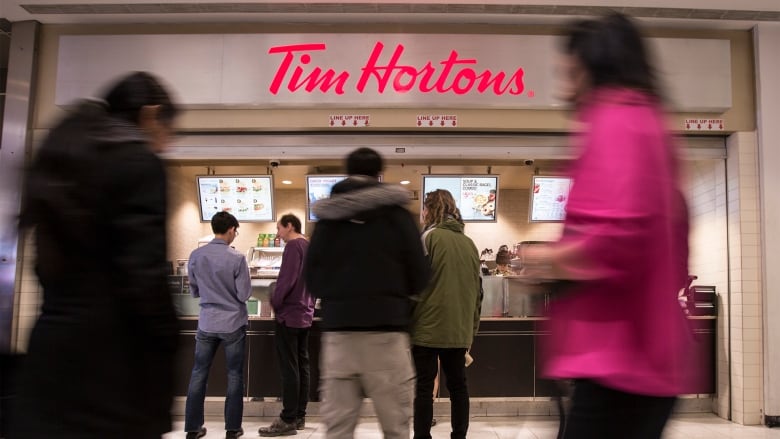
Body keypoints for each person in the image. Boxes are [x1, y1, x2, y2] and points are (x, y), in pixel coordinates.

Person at [519, 13, 691, 439]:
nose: (564, 87)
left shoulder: (616, 121)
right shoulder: (651, 123)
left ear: (592, 66)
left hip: (618, 357)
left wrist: (547, 260)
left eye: (569, 71)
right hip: (643, 354)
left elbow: (619, 237)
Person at [11, 71, 180, 438]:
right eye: (170, 129)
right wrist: (168, 345)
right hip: (112, 368)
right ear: (151, 115)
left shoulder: (67, 159)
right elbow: (144, 277)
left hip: (50, 360)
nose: (167, 143)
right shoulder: (138, 164)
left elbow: (44, 269)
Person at [305, 147, 431, 439]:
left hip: (339, 338)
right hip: (387, 337)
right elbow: (421, 275)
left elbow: (312, 279)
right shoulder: (399, 217)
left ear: (346, 173)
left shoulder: (327, 221)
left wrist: (340, 297)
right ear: (379, 175)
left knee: (338, 430)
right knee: (395, 429)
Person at [410, 189, 482, 439]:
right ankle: (459, 436)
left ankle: (422, 437)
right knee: (459, 386)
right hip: (459, 329)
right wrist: (471, 329)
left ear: (429, 210)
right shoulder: (469, 244)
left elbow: (414, 284)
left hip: (427, 328)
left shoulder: (428, 238)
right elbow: (478, 291)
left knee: (424, 387)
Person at [184, 211, 251, 439]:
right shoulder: (237, 258)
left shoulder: (195, 255)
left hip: (206, 322)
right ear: (231, 229)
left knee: (199, 373)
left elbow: (193, 289)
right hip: (233, 323)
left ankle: (193, 429)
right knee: (234, 375)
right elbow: (243, 294)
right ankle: (232, 429)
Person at [259, 213, 314, 436]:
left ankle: (288, 418)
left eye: (279, 228)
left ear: (289, 226)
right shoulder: (309, 247)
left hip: (289, 315)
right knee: (302, 365)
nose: (277, 233)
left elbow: (286, 280)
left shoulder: (293, 246)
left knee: (289, 368)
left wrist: (274, 300)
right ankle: (300, 415)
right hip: (304, 314)